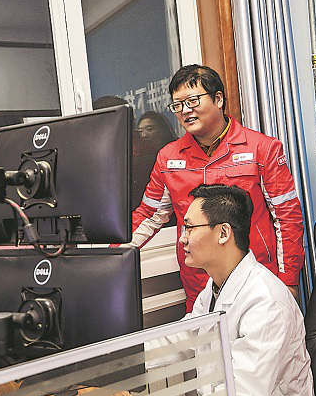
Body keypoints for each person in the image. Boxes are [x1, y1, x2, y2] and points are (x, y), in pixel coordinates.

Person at [130, 65, 305, 310]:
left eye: (192, 101)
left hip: (255, 281)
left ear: (218, 99)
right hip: (199, 287)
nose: (185, 110)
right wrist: (108, 252)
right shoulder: (168, 158)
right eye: (177, 105)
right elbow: (149, 215)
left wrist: (288, 280)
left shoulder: (262, 149)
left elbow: (287, 218)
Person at [149, 183, 316, 396]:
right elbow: (186, 336)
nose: (182, 239)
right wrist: (124, 360)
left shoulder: (266, 303)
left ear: (223, 233)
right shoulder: (215, 287)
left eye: (189, 228)